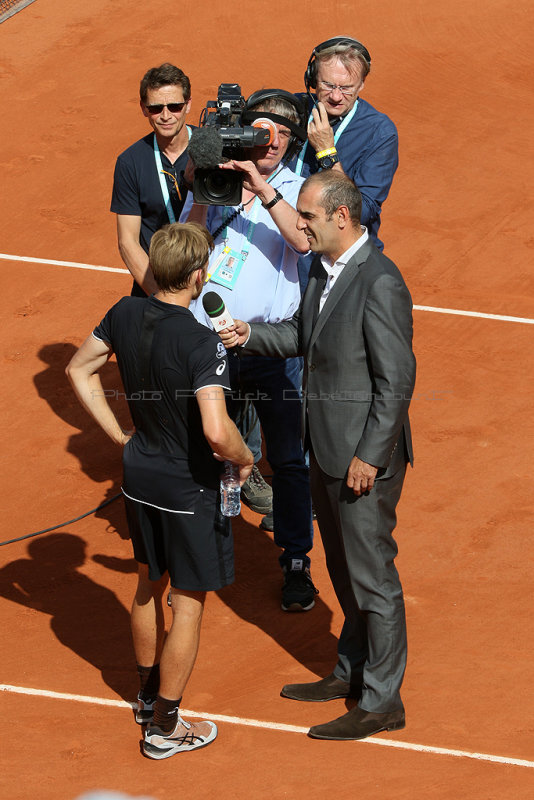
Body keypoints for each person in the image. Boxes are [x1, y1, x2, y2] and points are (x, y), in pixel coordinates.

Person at [220, 170, 416, 740]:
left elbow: (396, 382)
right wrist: (246, 334)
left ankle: (382, 702)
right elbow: (302, 334)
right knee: (344, 569)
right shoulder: (320, 269)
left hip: (360, 460)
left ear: (341, 217)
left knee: (373, 576)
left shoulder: (378, 281)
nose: (297, 225)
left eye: (305, 216)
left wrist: (370, 457)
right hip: (325, 451)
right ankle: (352, 672)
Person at [66, 222, 253, 759]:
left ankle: (147, 701)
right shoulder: (200, 343)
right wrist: (245, 459)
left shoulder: (123, 313)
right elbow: (218, 433)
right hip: (189, 487)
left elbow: (80, 370)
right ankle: (164, 728)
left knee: (149, 583)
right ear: (197, 275)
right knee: (187, 603)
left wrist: (122, 437)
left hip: (139, 473)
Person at [182, 89, 317, 612]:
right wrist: (201, 190)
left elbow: (303, 242)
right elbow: (187, 246)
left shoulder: (297, 189)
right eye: (263, 132)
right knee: (203, 449)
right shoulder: (216, 183)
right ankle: (201, 554)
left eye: (283, 135)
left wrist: (261, 188)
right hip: (207, 345)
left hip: (268, 346)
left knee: (287, 459)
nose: (273, 142)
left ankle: (296, 560)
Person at [294, 36, 398, 290]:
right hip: (284, 255)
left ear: (362, 84)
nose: (337, 97)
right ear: (311, 78)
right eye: (328, 85)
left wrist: (327, 153)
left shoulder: (380, 132)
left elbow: (362, 212)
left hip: (335, 269)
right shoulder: (292, 110)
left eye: (347, 87)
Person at [111, 63, 193, 297]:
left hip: (212, 283)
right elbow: (128, 242)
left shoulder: (212, 149)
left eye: (175, 106)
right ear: (144, 109)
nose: (166, 116)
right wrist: (162, 297)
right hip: (154, 287)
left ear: (188, 105)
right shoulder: (130, 162)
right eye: (156, 108)